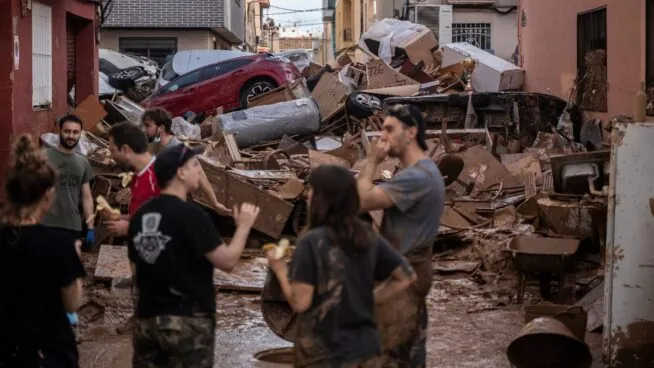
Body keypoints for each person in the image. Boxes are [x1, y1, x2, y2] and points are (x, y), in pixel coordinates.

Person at [266, 165, 416, 368]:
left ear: (323, 199)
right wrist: (371, 299)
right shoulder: (367, 234)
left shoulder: (310, 242)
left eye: (312, 191)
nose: (308, 196)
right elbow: (406, 276)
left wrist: (280, 269)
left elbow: (300, 303)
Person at [128, 143, 260, 367]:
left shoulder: (140, 216)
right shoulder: (192, 216)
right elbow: (227, 261)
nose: (199, 170)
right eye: (194, 165)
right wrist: (244, 227)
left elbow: (135, 266)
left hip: (147, 321)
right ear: (180, 173)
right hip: (187, 322)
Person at [356, 104, 445, 367]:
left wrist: (371, 161)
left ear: (411, 133)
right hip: (409, 272)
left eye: (389, 129)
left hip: (403, 277)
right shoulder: (420, 172)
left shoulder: (417, 177)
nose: (382, 136)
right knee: (409, 352)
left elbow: (360, 201)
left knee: (389, 356)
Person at [0, 134, 86, 367]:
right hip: (49, 353)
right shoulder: (59, 244)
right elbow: (72, 304)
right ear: (48, 196)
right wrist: (74, 260)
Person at [142, 107, 229, 213]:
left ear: (160, 128)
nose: (145, 129)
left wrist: (215, 203)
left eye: (148, 126)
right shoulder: (155, 146)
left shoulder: (177, 148)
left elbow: (200, 174)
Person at [41, 114, 95, 249]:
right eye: (67, 131)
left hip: (72, 226)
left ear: (80, 134)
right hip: (45, 224)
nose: (71, 136)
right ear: (59, 132)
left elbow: (87, 197)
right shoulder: (43, 158)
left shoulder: (83, 162)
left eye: (75, 132)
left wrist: (90, 226)